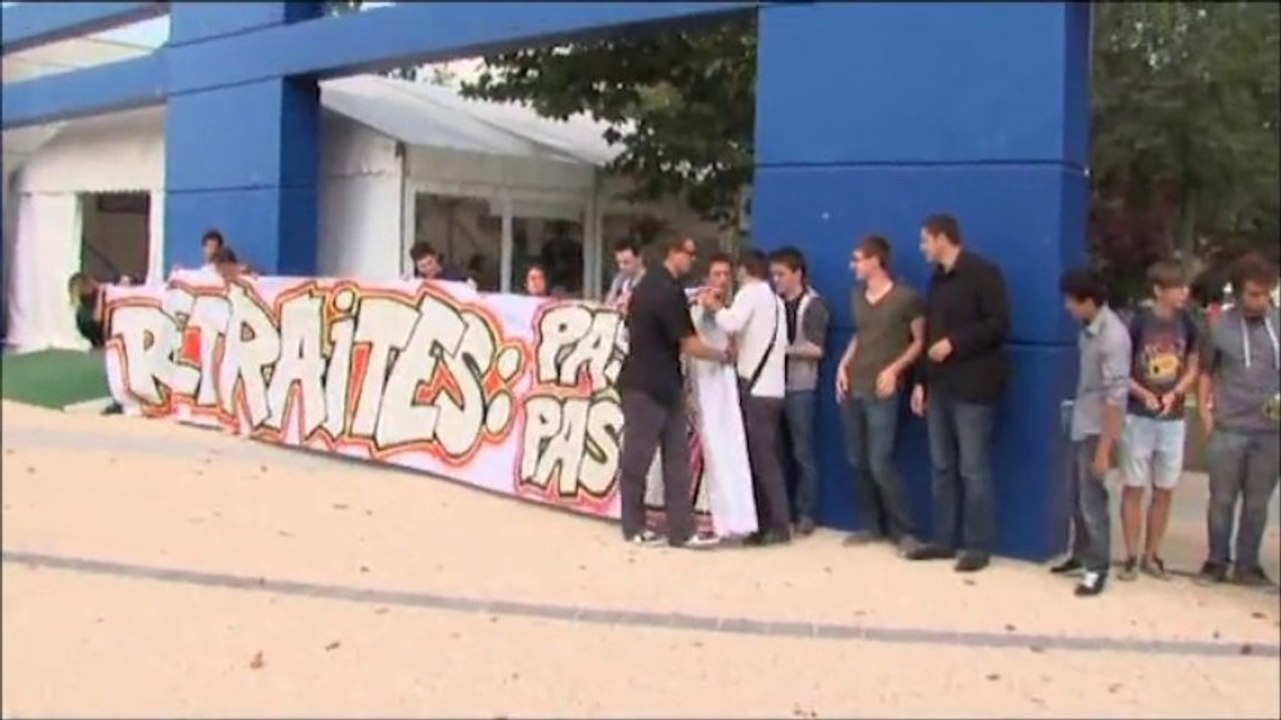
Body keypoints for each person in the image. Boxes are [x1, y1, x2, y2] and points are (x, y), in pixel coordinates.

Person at [908, 214, 1010, 572]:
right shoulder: (936, 280)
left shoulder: (983, 273)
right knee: (941, 466)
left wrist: (955, 343)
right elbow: (930, 334)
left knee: (973, 468)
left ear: (942, 238)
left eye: (925, 240)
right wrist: (921, 381)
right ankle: (943, 540)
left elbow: (999, 324)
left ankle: (977, 545)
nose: (922, 247)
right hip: (940, 385)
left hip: (974, 387)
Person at [617, 236, 731, 549]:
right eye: (689, 254)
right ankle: (654, 527)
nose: (693, 260)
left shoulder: (646, 285)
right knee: (650, 460)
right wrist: (723, 355)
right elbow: (690, 343)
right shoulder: (667, 291)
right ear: (673, 253)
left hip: (655, 382)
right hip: (650, 385)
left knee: (668, 460)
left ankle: (663, 528)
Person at [834, 235, 926, 553]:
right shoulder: (857, 296)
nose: (853, 265)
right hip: (854, 384)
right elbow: (861, 335)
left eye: (858, 259)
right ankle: (871, 525)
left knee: (880, 462)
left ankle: (905, 531)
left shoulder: (906, 298)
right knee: (856, 460)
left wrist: (895, 369)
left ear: (876, 260)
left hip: (883, 388)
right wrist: (843, 365)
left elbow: (919, 341)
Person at [1196, 253, 1280, 587]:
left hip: (1271, 432)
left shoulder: (1278, 323)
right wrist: (1205, 414)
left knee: (1258, 503)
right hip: (1229, 428)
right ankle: (1216, 561)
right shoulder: (1218, 326)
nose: (1260, 301)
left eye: (1265, 293)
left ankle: (1248, 565)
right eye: (1253, 294)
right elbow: (1206, 371)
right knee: (1222, 499)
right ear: (1239, 291)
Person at [701, 248, 792, 546]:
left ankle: (775, 523)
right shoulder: (776, 301)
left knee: (760, 460)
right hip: (774, 389)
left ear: (743, 271)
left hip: (755, 388)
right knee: (768, 458)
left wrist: (714, 306)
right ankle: (769, 521)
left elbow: (731, 323)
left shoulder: (750, 294)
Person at [1116, 260, 1200, 581]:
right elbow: (1120, 369)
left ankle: (1153, 555)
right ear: (1158, 291)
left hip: (1172, 416)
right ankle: (1130, 555)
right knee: (1133, 486)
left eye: (1183, 286)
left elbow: (1192, 365)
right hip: (1139, 415)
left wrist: (1176, 393)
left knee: (1165, 488)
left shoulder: (1188, 322)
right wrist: (1142, 393)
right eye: (1176, 288)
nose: (1183, 293)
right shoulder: (1138, 322)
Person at [1055, 269, 1131, 597]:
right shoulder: (1087, 330)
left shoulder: (1113, 337)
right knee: (1075, 495)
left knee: (1092, 501)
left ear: (1088, 301)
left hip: (1097, 429)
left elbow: (1117, 396)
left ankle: (1097, 568)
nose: (1067, 307)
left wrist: (1104, 448)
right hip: (1080, 421)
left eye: (1071, 301)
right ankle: (1081, 553)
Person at [769, 246, 831, 536]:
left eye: (781, 274)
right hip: (772, 386)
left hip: (800, 388)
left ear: (798, 274)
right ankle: (779, 511)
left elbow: (816, 349)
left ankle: (806, 513)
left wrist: (781, 350)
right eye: (773, 275)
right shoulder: (773, 304)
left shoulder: (814, 305)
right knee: (775, 453)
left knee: (802, 452)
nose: (776, 280)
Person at [605, 238, 646, 310]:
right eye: (618, 263)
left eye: (626, 262)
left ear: (639, 259)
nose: (621, 267)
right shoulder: (618, 279)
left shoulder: (648, 283)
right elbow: (608, 304)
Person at [68, 273, 106, 349]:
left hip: (91, 330)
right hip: (93, 328)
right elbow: (97, 319)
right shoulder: (89, 299)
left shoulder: (83, 303)